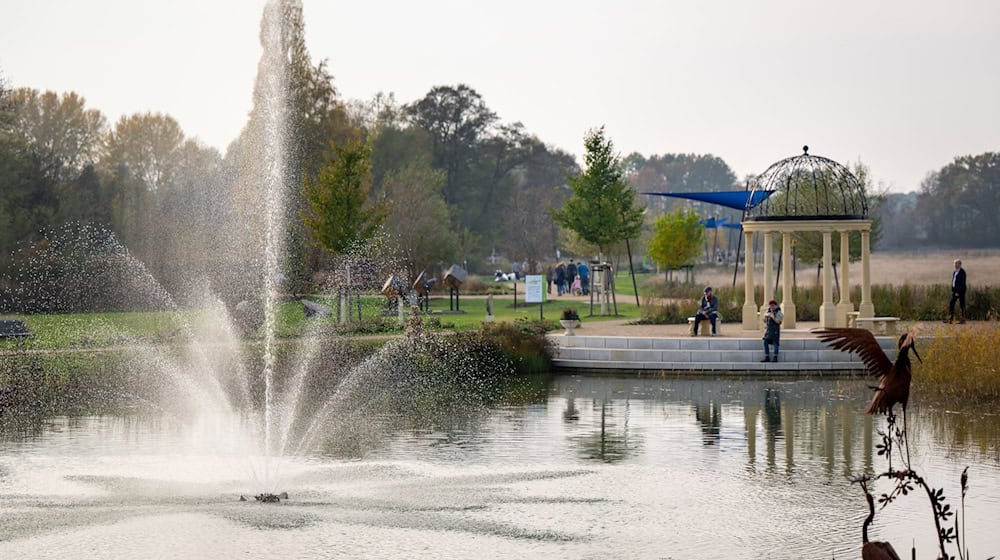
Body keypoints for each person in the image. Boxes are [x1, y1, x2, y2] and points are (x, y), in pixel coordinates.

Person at [946, 258, 967, 324]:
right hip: (955, 291)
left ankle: (962, 320)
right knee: (951, 304)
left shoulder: (962, 272)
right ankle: (950, 319)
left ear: (960, 264)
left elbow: (962, 283)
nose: (955, 264)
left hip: (960, 291)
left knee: (962, 305)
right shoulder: (955, 271)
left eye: (956, 263)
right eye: (954, 263)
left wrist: (958, 292)